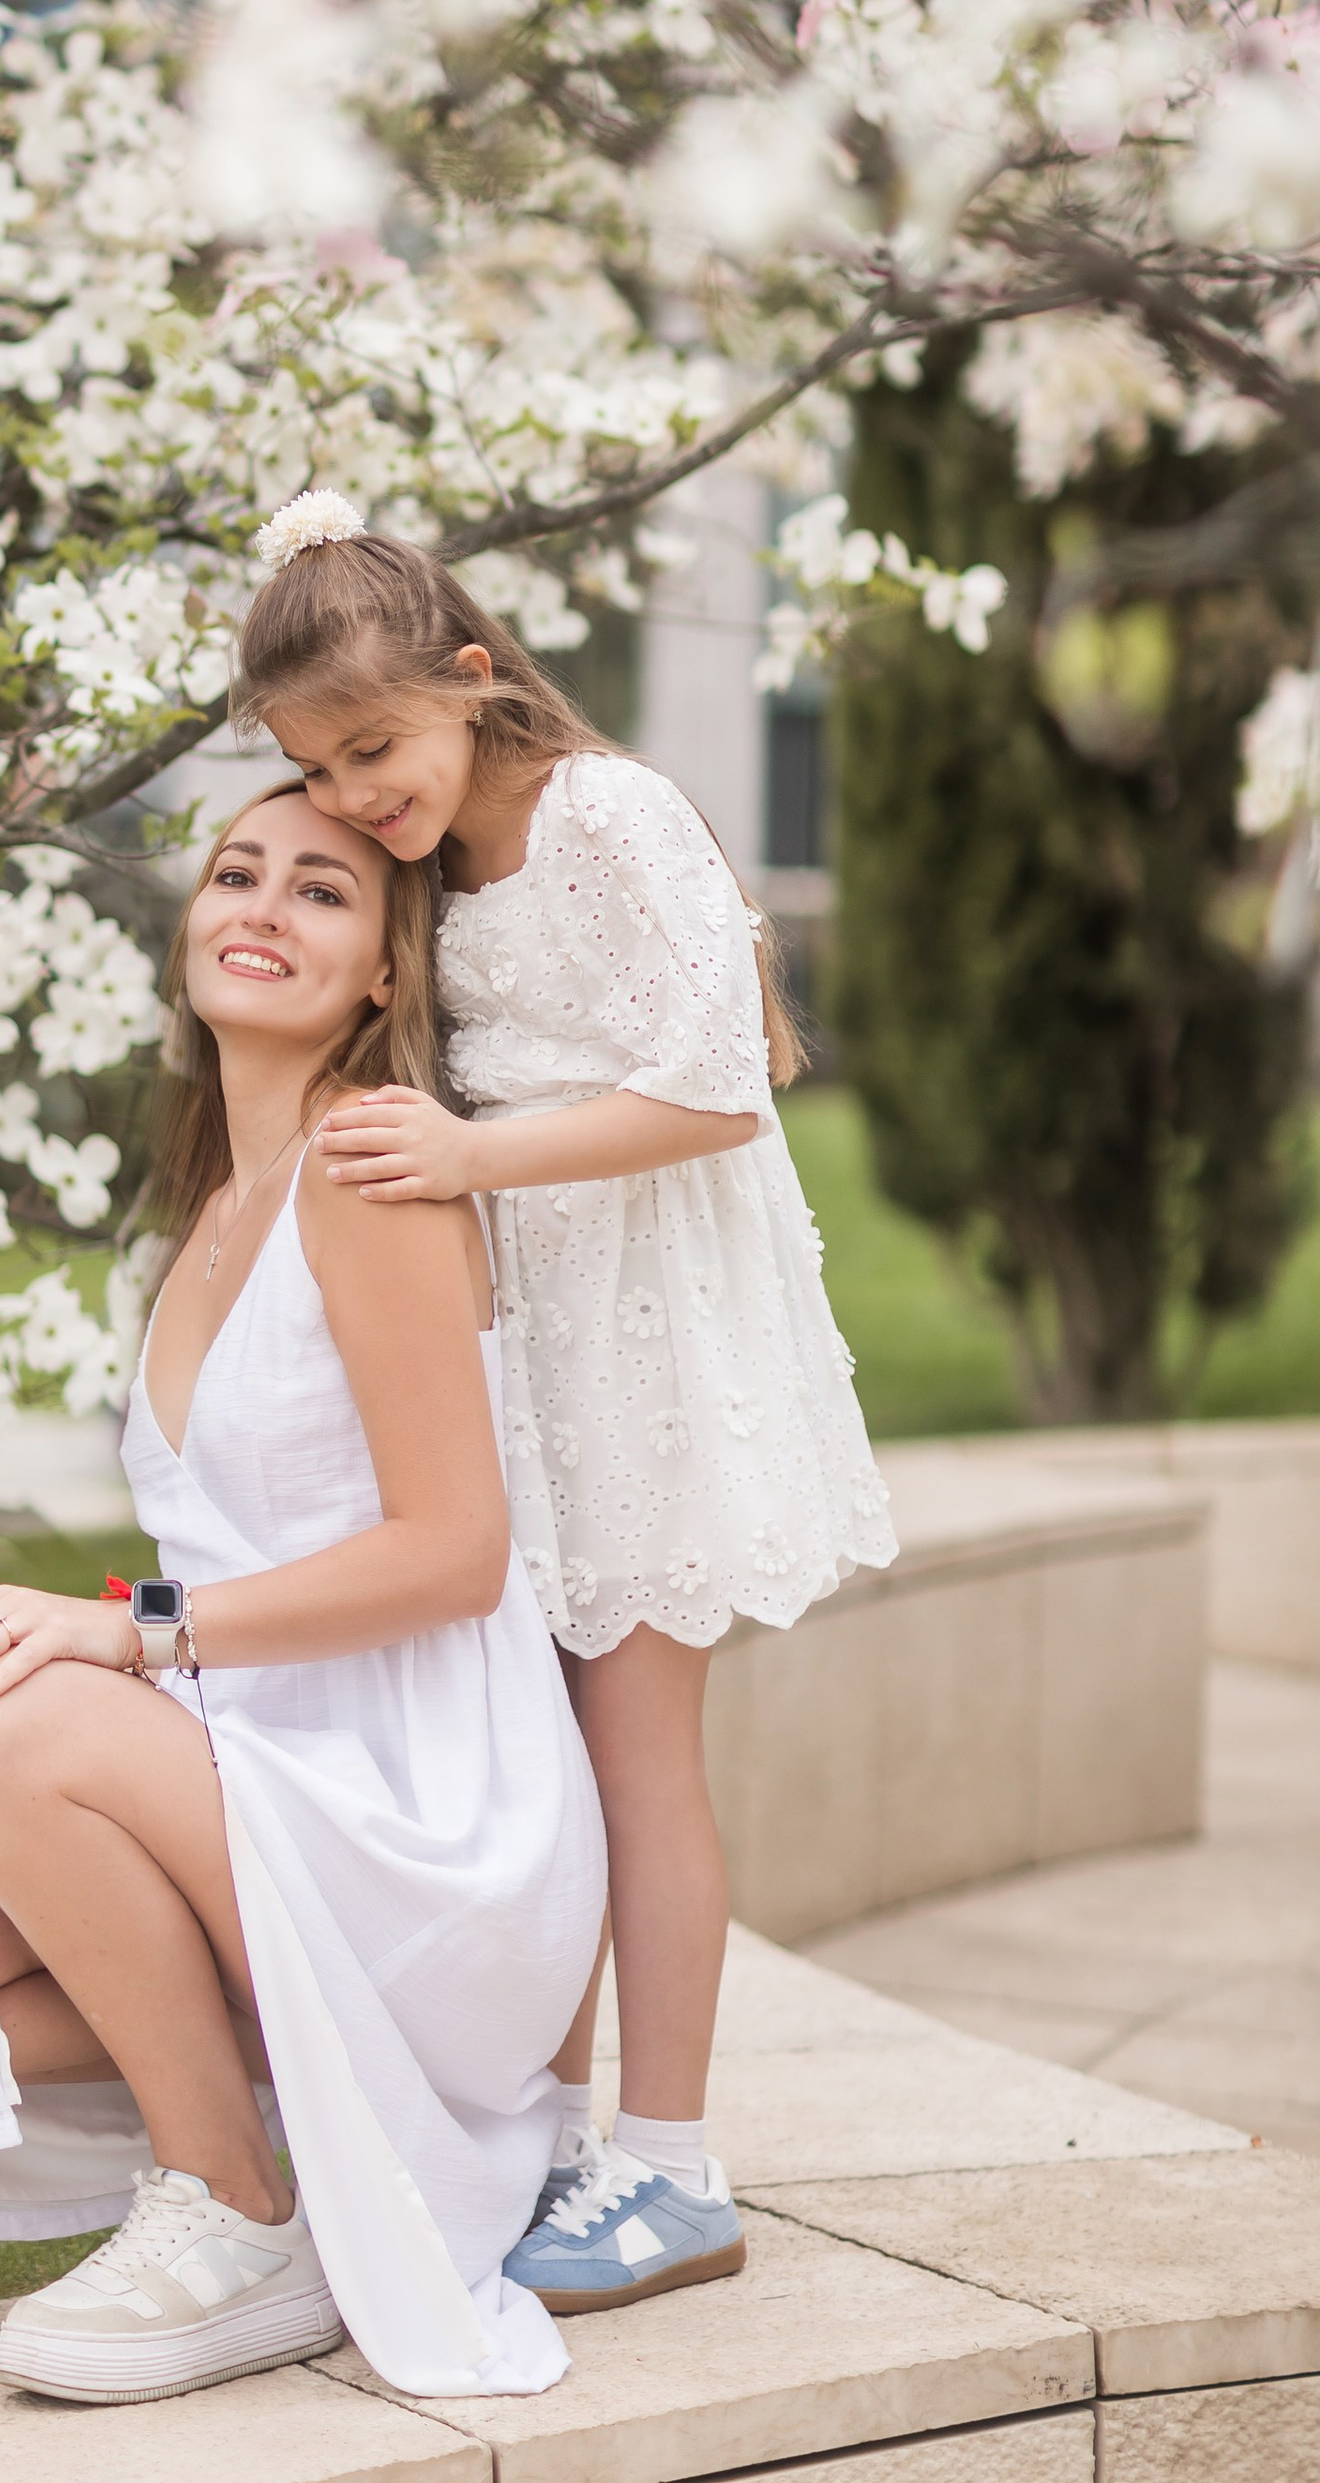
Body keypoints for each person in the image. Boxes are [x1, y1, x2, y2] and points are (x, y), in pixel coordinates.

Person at [0, 784, 606, 2408]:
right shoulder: (217, 1210)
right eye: (238, 872)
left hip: (426, 1809)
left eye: (324, 890)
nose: (266, 906)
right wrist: (62, 1696)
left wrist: (110, 1651)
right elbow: (248, 1541)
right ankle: (309, 2118)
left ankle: (236, 2207)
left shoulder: (368, 1168)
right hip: (273, 1762)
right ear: (190, 926)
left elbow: (455, 1548)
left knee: (6, 1739)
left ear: (385, 971)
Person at [235, 493, 898, 2314]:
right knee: (531, 1754)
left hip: (650, 1334)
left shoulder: (607, 813)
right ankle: (531, 2132)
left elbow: (722, 1085)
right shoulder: (442, 853)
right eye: (318, 766)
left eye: (374, 749)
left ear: (472, 674)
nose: (355, 794)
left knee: (631, 1751)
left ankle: (669, 2162)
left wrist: (471, 1155)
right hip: (533, 1333)